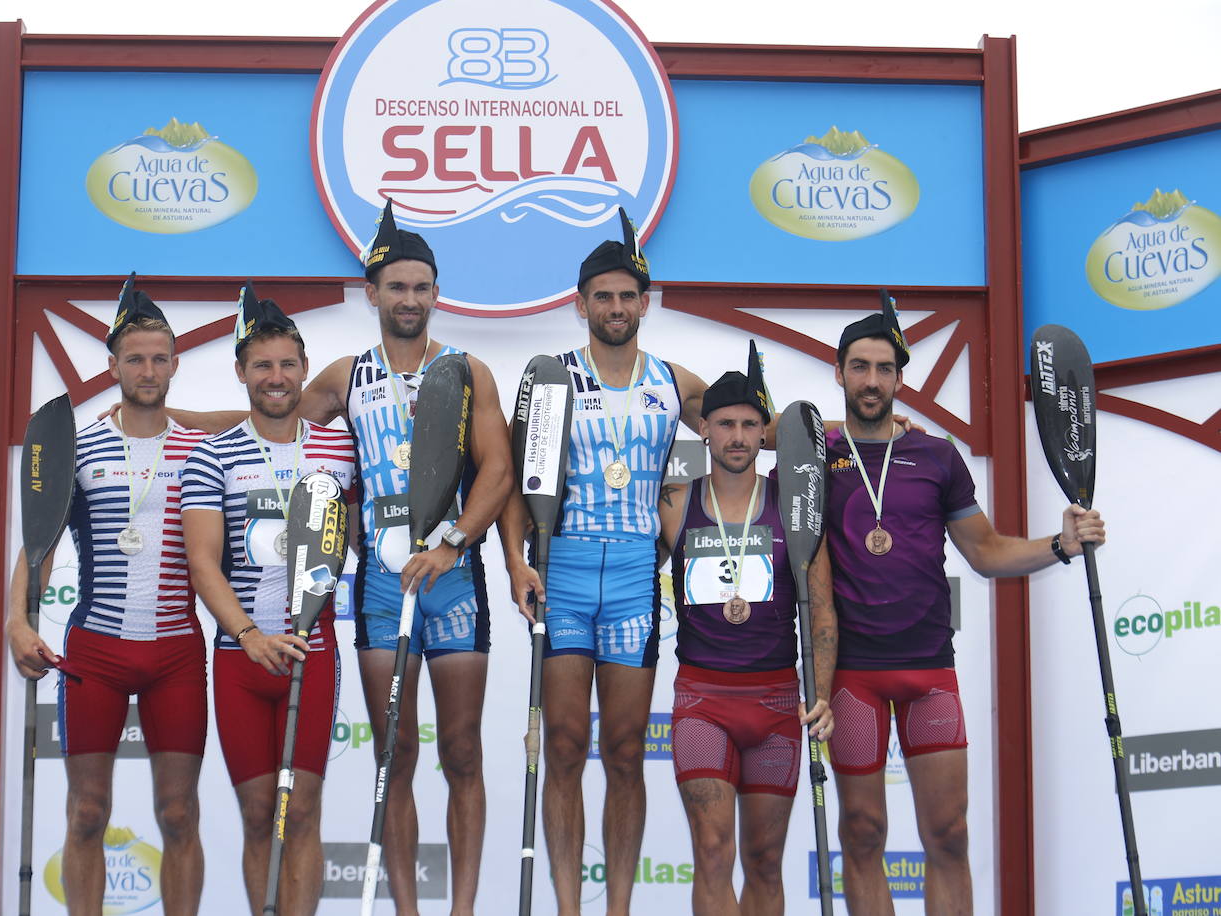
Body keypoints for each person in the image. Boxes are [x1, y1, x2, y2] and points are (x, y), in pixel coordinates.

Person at [824, 292, 1107, 915]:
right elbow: (732, 424)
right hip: (850, 675)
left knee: (948, 835)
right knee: (863, 834)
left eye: (885, 369)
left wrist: (1060, 544)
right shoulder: (816, 454)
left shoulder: (935, 455)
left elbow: (986, 551)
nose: (873, 382)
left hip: (928, 668)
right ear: (838, 371)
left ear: (900, 377)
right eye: (860, 367)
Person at [292, 201, 513, 916]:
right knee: (396, 756)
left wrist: (453, 544)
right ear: (372, 294)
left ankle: (463, 909)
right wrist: (173, 422)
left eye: (422, 288)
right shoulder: (343, 376)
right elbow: (271, 423)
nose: (410, 299)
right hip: (381, 587)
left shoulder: (466, 368)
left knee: (463, 752)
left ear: (435, 294)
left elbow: (499, 472)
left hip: (451, 582)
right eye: (397, 287)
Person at [500, 209, 709, 916]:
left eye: (628, 296)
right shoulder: (548, 377)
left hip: (631, 578)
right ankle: (568, 906)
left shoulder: (673, 381)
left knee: (623, 751)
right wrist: (512, 561)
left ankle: (616, 908)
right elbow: (507, 478)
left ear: (644, 303)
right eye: (603, 296)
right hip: (561, 569)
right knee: (563, 747)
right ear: (580, 302)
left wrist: (842, 430)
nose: (616, 308)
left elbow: (753, 424)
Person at [5, 274, 208, 916]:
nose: (147, 370)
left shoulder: (201, 446)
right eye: (134, 358)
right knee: (87, 811)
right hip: (94, 650)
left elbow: (263, 418)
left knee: (178, 813)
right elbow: (37, 544)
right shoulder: (81, 443)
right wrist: (16, 621)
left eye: (158, 358)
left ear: (175, 363)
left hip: (177, 651)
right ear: (112, 364)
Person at [180, 284, 356, 915]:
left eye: (287, 365)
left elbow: (357, 538)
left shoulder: (340, 448)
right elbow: (203, 564)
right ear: (241, 373)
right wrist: (251, 635)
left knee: (302, 810)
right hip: (242, 657)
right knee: (259, 814)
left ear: (305, 370)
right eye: (262, 366)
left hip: (313, 650)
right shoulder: (211, 457)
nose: (276, 377)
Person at [658, 365, 836, 916]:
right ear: (704, 429)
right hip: (702, 702)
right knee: (712, 853)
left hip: (778, 704)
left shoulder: (794, 506)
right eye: (725, 424)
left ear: (766, 433)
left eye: (749, 425)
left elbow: (823, 609)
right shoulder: (673, 503)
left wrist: (822, 692)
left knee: (763, 860)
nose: (737, 437)